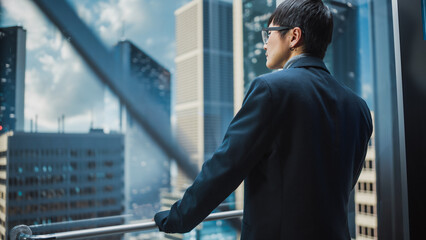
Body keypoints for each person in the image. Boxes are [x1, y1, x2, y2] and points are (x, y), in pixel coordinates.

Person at [154, 0, 373, 239]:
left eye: (269, 33)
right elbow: (343, 185)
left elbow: (226, 165)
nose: (265, 43)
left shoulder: (270, 89)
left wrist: (176, 218)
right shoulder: (358, 107)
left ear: (294, 36)